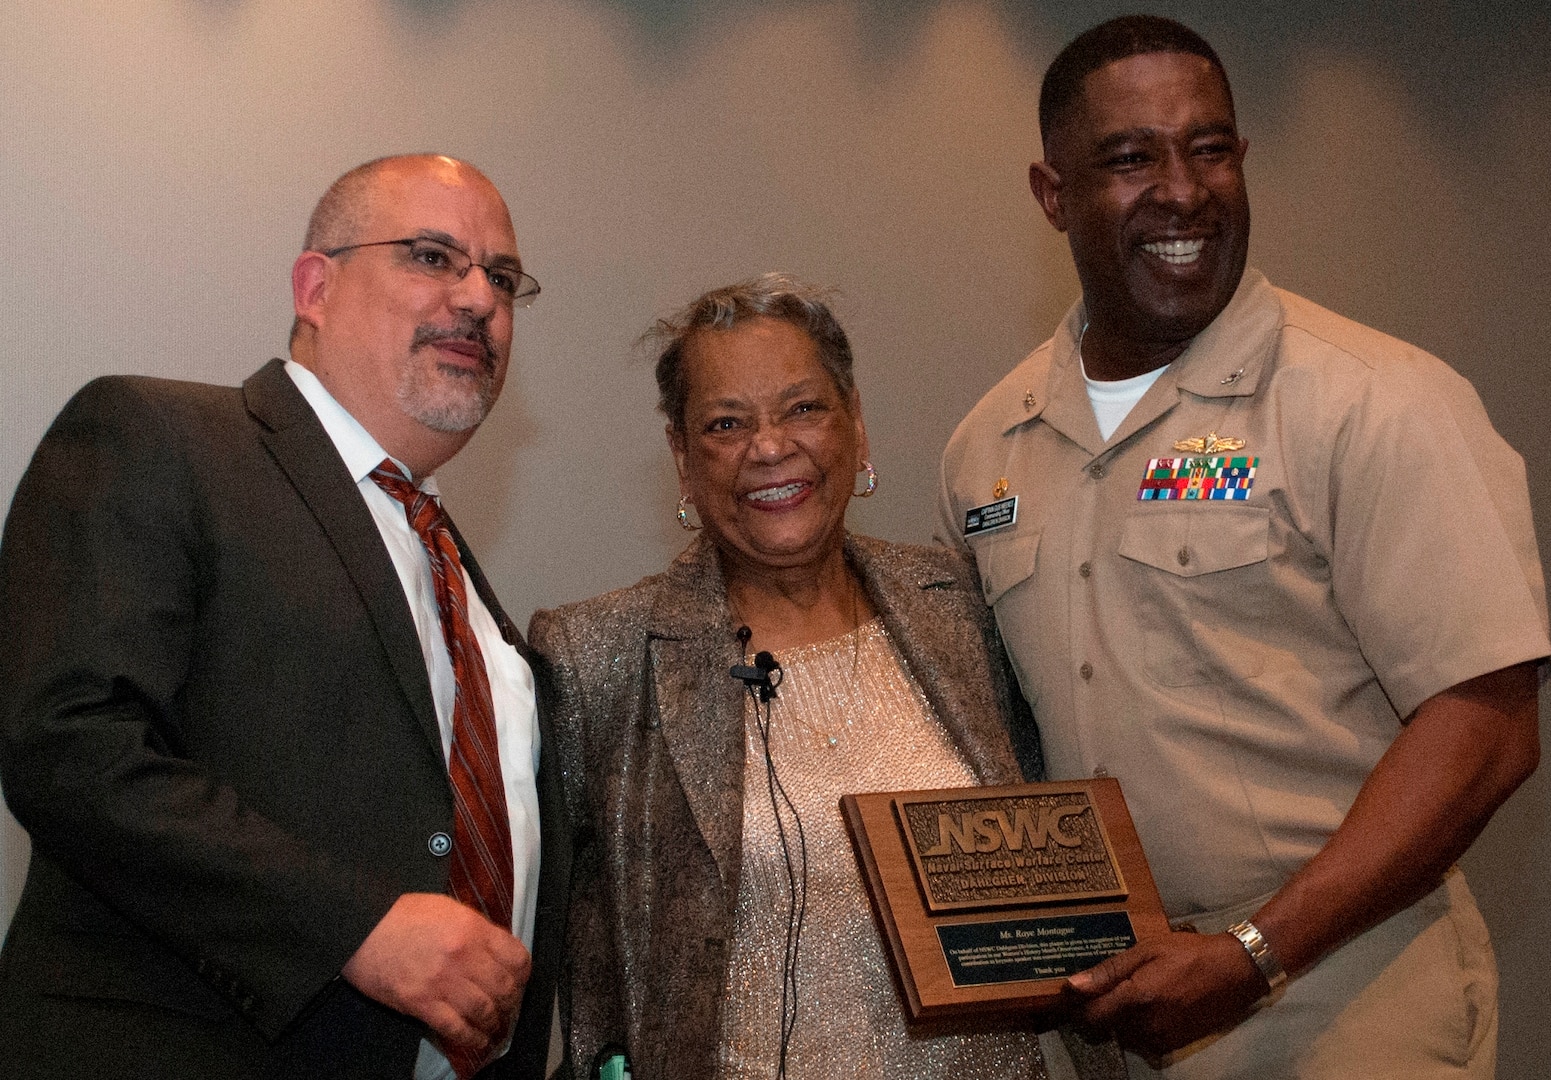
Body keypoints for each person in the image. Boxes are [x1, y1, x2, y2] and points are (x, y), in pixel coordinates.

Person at [938, 15, 1548, 1079]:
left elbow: (1488, 726)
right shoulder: (987, 446)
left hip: (1346, 996)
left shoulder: (1376, 402)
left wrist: (1254, 953)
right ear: (1052, 195)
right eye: (1131, 159)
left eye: (1209, 148)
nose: (1181, 189)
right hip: (1120, 1011)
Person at [0, 154, 567, 1079]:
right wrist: (357, 927)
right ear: (316, 285)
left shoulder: (447, 559)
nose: (477, 298)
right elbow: (72, 744)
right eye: (432, 256)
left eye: (502, 277)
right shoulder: (159, 438)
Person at [529, 274, 1123, 1080]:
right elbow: (575, 971)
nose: (769, 447)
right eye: (725, 423)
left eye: (802, 408)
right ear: (681, 455)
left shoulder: (960, 606)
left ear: (855, 423)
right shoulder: (597, 656)